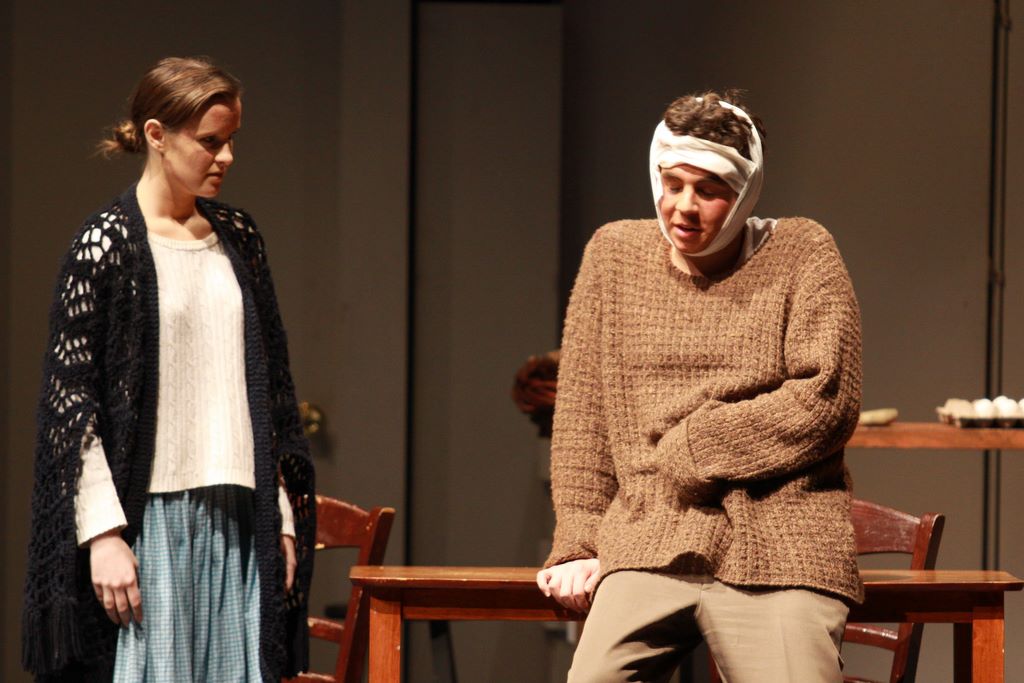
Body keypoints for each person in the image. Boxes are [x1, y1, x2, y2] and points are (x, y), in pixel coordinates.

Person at [536, 91, 863, 682]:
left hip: (781, 541)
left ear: (745, 193)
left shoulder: (802, 252)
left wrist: (697, 447)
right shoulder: (614, 255)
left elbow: (826, 399)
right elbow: (584, 415)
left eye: (709, 190)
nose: (683, 207)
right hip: (649, 534)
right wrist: (579, 541)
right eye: (673, 184)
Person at [22, 56, 316, 682]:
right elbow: (71, 406)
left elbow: (271, 395)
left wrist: (282, 517)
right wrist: (103, 534)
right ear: (157, 135)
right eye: (210, 141)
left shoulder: (239, 238)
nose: (226, 156)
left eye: (231, 139)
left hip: (241, 516)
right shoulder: (106, 245)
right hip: (150, 519)